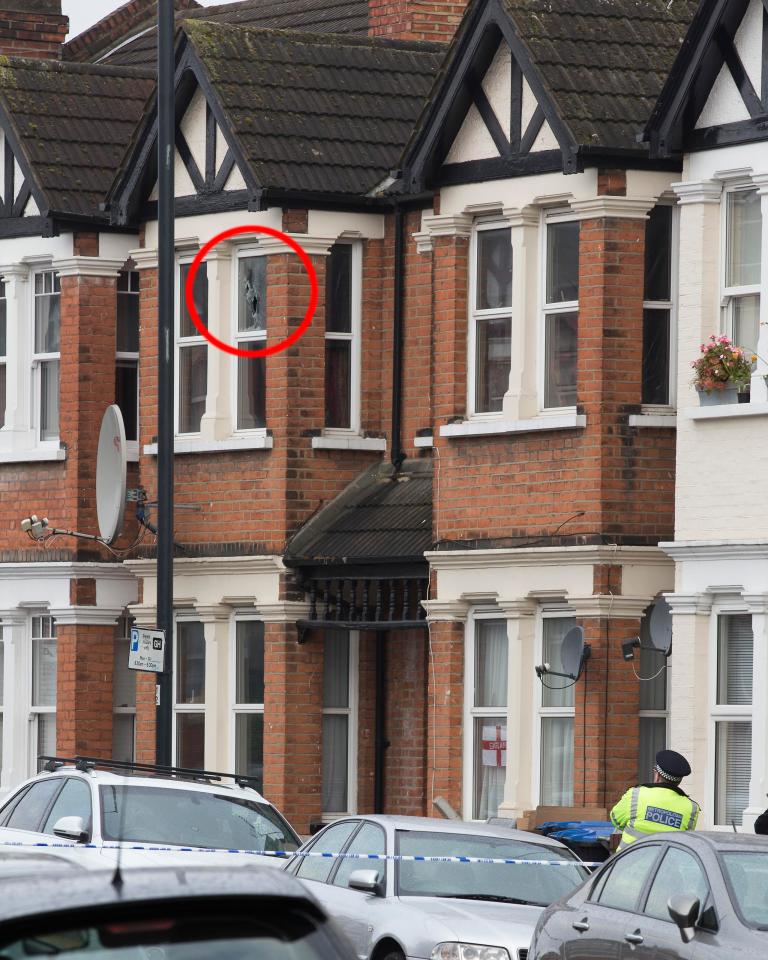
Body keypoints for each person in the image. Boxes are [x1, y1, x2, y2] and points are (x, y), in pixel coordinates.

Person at [610, 750, 699, 851]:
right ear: (679, 781)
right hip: (666, 866)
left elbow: (615, 819)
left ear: (657, 775)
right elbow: (685, 840)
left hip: (628, 863)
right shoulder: (692, 808)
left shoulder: (635, 795)